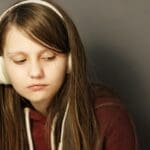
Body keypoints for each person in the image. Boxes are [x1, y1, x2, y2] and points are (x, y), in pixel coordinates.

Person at [0, 0, 138, 150]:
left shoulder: (109, 116)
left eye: (48, 57)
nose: (35, 72)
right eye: (20, 60)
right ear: (2, 68)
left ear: (70, 61)